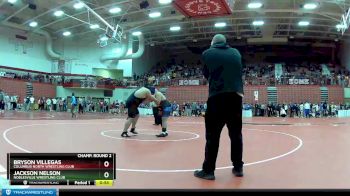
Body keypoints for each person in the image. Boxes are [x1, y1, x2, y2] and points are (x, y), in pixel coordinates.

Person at [194, 34, 244, 180]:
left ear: (213, 43)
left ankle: (209, 171)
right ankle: (238, 167)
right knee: (236, 135)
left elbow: (206, 74)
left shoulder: (207, 53)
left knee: (212, 136)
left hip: (217, 97)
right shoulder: (236, 52)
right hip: (235, 97)